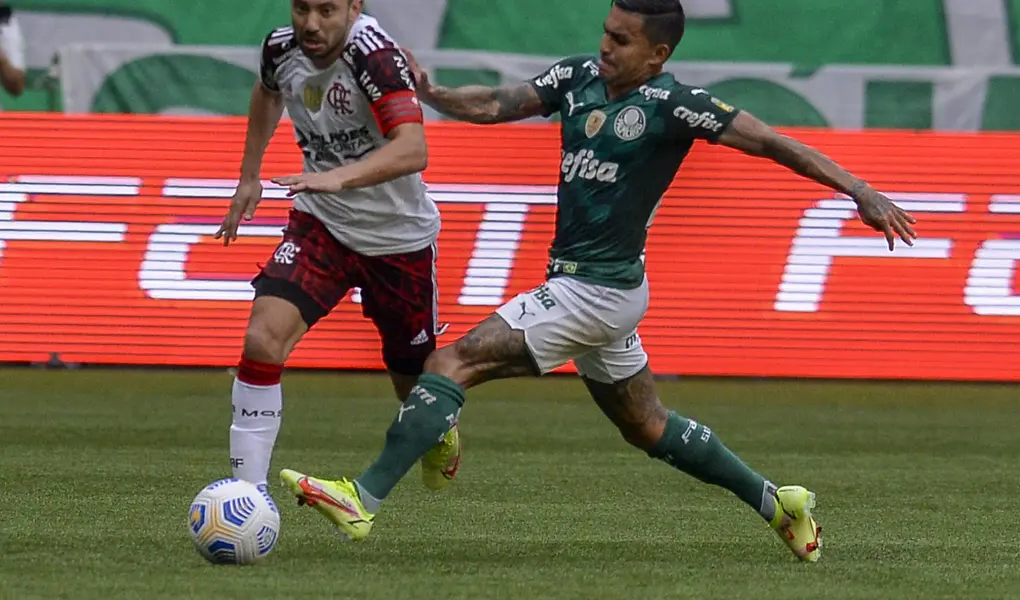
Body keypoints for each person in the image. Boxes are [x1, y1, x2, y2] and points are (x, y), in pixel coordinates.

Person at [281, 0, 918, 562]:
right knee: (647, 424)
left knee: (451, 362)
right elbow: (501, 104)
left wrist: (859, 189)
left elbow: (776, 143)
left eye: (621, 40)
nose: (604, 47)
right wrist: (434, 92)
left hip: (598, 291)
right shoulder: (580, 77)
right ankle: (780, 505)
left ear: (657, 54)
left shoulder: (676, 106)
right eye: (606, 32)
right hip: (589, 288)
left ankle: (362, 498)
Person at [216, 0, 461, 495]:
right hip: (322, 226)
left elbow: (414, 149)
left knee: (410, 381)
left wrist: (336, 178)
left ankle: (439, 430)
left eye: (326, 10)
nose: (310, 24)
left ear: (354, 8)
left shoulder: (375, 56)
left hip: (398, 239)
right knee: (263, 339)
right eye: (302, 8)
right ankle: (246, 492)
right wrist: (249, 176)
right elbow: (267, 94)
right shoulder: (280, 47)